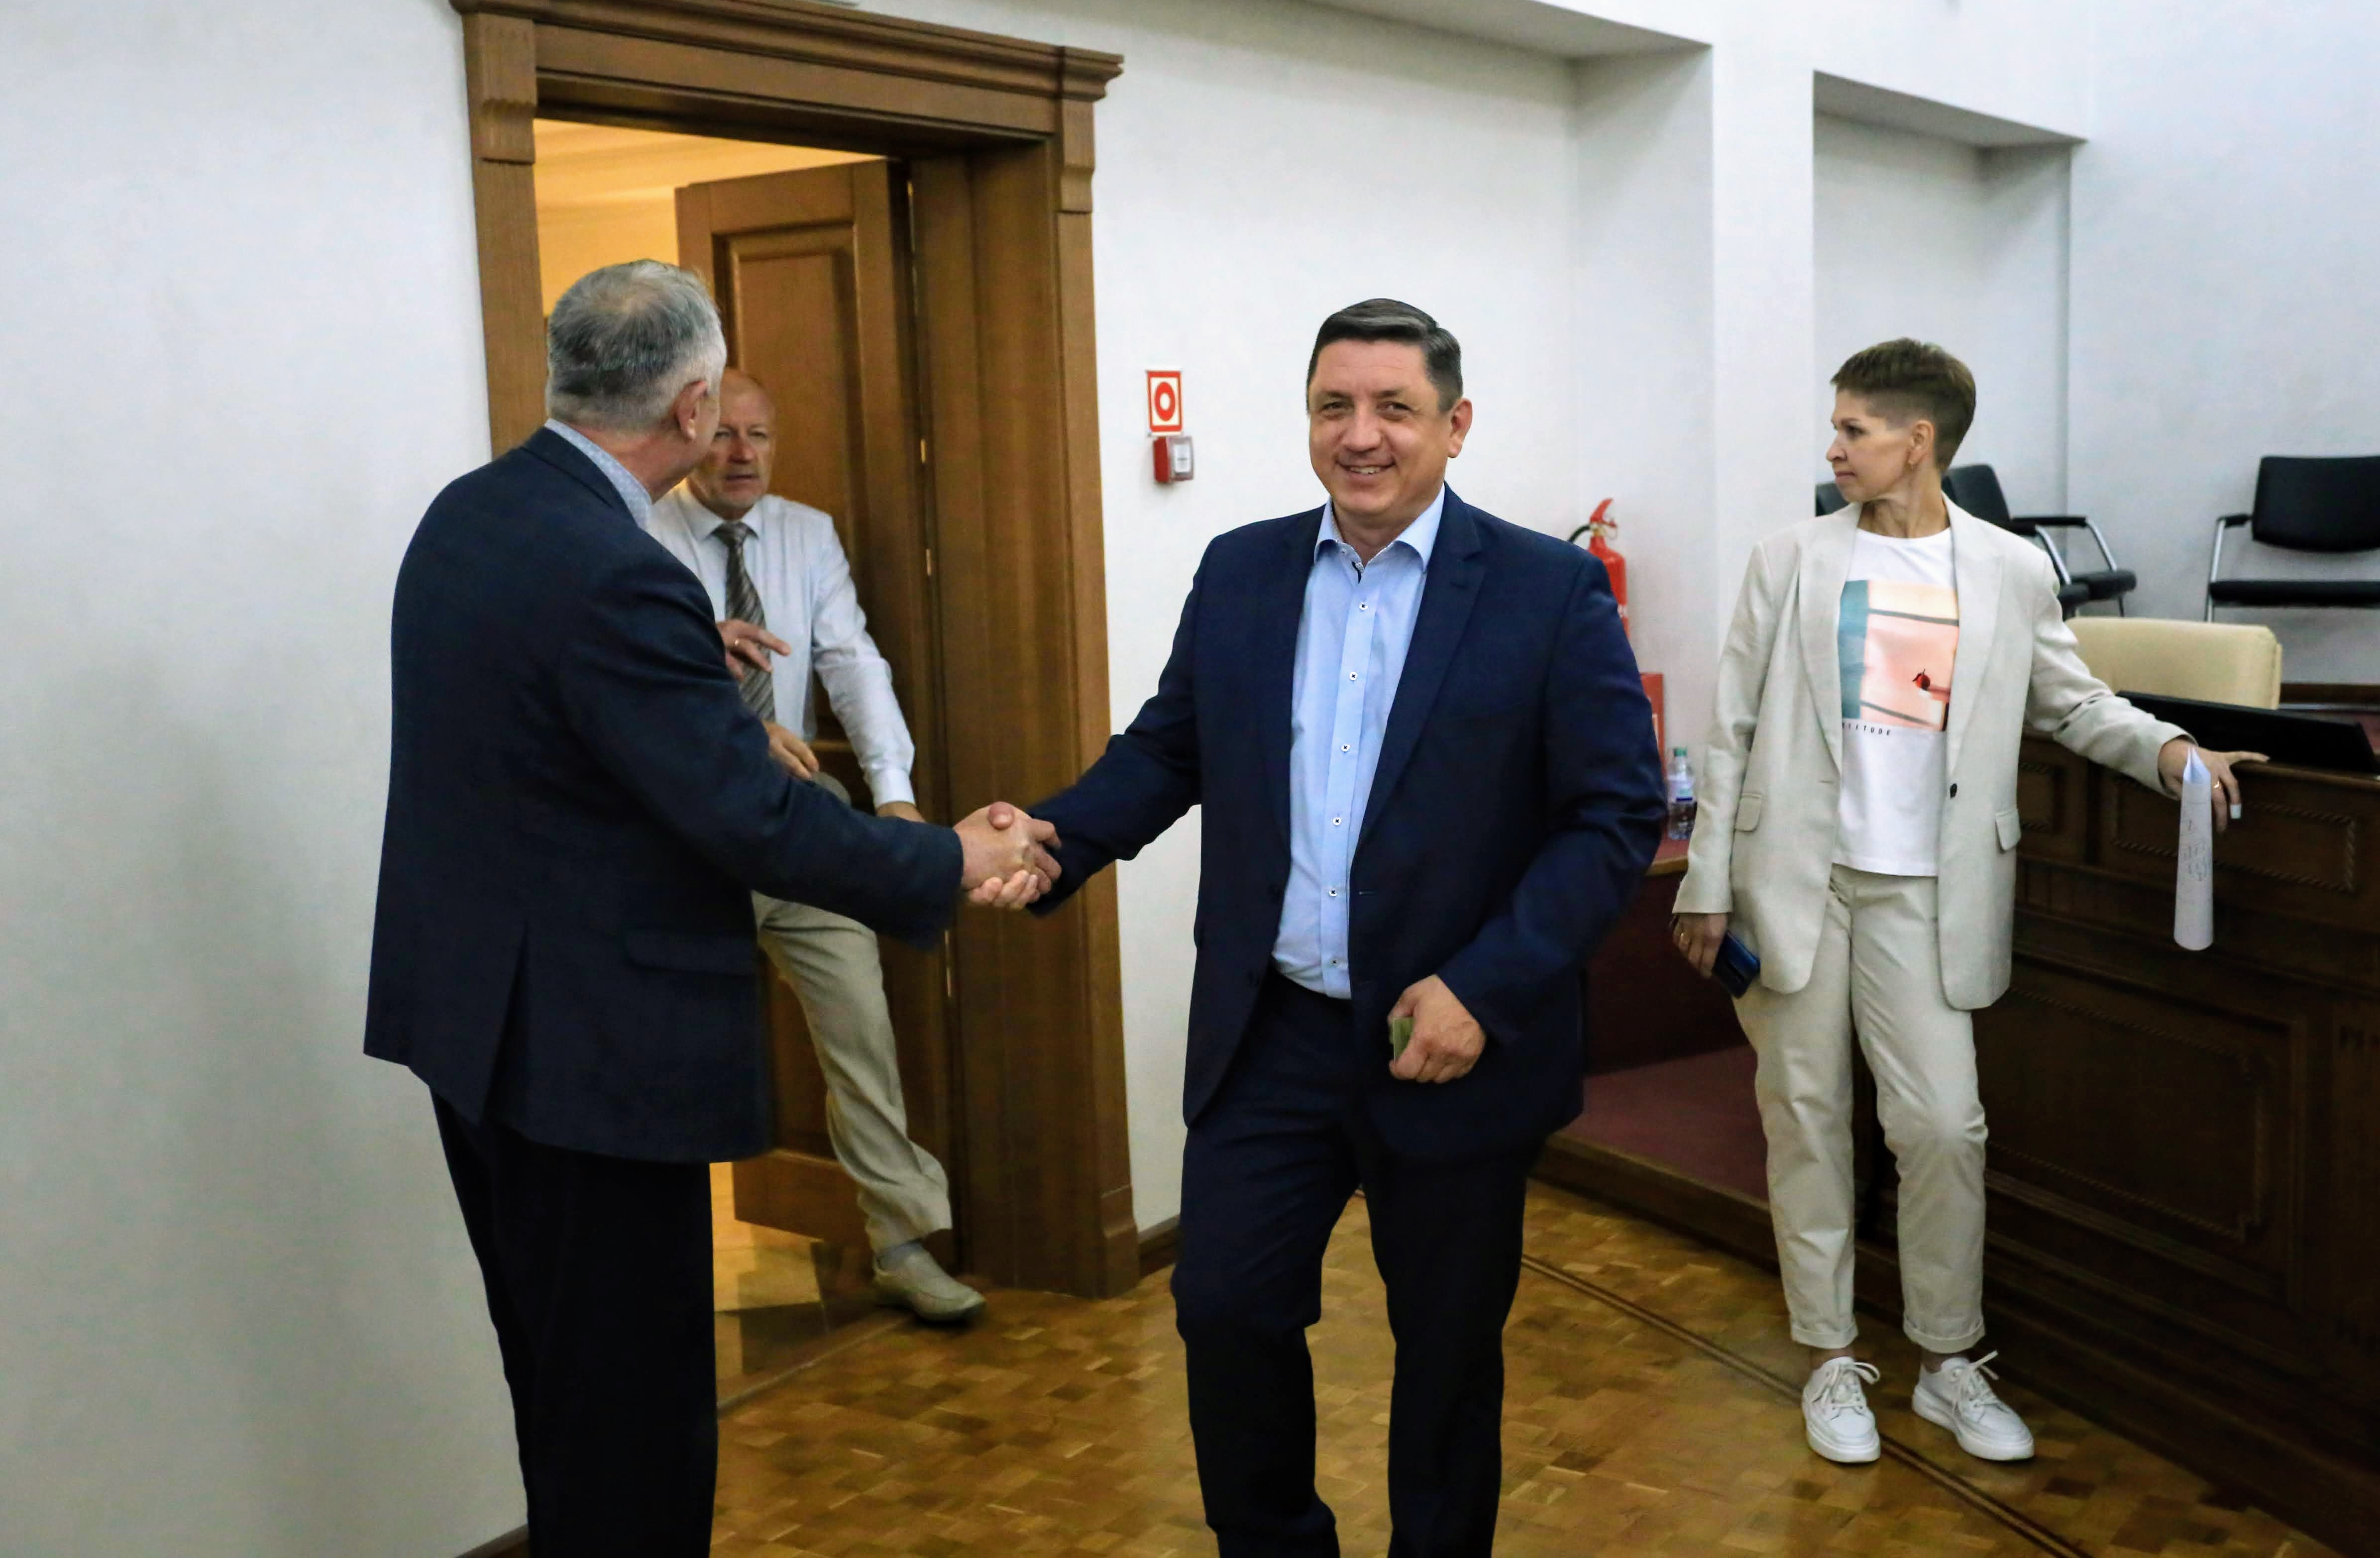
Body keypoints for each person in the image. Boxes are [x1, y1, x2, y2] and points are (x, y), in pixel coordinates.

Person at [366, 261, 1058, 1556]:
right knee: (634, 1421)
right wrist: (944, 858)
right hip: (590, 1057)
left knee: (560, 1385)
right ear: (691, 408)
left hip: (477, 1028)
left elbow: (549, 736)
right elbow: (750, 816)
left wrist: (687, 666)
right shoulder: (617, 571)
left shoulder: (476, 511)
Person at [1019, 298, 1667, 1557]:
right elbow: (1168, 750)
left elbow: (1612, 816)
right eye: (1334, 406)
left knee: (1446, 1353)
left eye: (1393, 409)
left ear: (1455, 426)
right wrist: (1051, 839)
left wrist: (1484, 987)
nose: (1359, 435)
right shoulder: (1242, 569)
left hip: (1449, 1039)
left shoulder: (1547, 591)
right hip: (1272, 1031)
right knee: (1225, 1308)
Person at [1670, 339, 2259, 1468]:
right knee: (1806, 1117)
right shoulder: (1789, 558)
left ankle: (1947, 1359)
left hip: (1931, 888)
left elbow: (2070, 699)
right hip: (1796, 879)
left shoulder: (2007, 567)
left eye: (1853, 429)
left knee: (1944, 1126)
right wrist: (1703, 882)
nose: (1833, 448)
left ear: (1918, 439)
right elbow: (1730, 724)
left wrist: (2168, 749)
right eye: (1835, 427)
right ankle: (1830, 1354)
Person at [646, 368, 981, 1322]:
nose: (741, 454)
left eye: (759, 435)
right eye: (723, 434)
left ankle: (900, 1241)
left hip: (791, 816)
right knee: (676, 1046)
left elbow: (851, 660)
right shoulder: (640, 537)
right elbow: (645, 685)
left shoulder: (807, 533)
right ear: (691, 431)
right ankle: (663, 1270)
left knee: (859, 1022)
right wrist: (730, 721)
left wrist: (895, 798)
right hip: (680, 836)